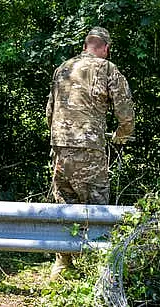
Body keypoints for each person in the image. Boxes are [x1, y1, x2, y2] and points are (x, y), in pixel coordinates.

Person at [46, 26, 135, 279]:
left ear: (86, 45)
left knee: (65, 204)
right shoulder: (107, 68)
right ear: (105, 48)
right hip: (90, 150)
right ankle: (101, 269)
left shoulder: (62, 68)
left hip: (60, 149)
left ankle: (62, 265)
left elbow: (49, 113)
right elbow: (126, 113)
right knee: (97, 207)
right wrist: (121, 136)